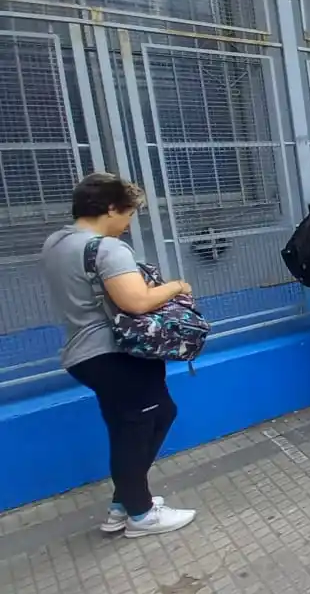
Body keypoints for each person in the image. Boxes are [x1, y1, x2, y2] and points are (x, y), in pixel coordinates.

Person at [42, 173, 197, 537]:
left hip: (84, 353)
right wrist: (176, 286)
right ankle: (140, 515)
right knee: (143, 424)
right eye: (128, 214)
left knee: (134, 424)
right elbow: (136, 302)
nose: (128, 225)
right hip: (115, 353)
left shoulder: (56, 243)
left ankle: (123, 503)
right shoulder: (106, 249)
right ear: (110, 208)